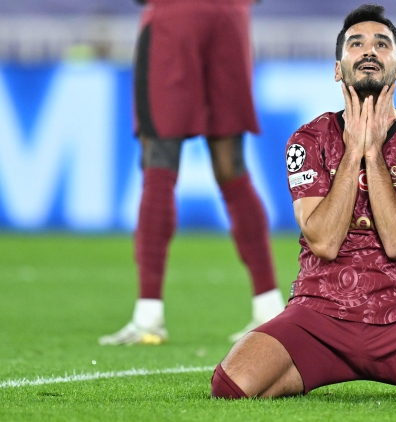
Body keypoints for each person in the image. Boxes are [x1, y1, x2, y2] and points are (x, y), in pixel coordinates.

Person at [210, 4, 396, 400]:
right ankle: (328, 367)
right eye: (356, 43)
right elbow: (323, 242)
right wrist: (353, 150)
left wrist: (373, 152)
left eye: (381, 44)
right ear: (338, 69)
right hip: (317, 316)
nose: (369, 50)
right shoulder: (308, 140)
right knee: (231, 386)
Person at [99, 0, 285, 346]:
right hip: (231, 16)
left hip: (175, 17)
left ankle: (148, 317)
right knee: (232, 167)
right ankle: (269, 307)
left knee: (159, 164)